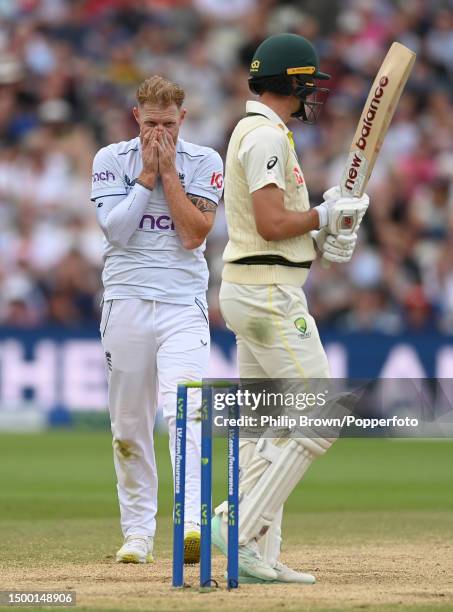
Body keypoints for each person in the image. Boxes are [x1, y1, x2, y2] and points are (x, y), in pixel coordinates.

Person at [211, 34, 369, 583]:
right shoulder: (265, 138)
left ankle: (257, 551)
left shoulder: (255, 131)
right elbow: (273, 222)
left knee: (267, 427)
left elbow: (278, 230)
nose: (313, 96)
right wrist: (322, 218)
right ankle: (235, 524)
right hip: (267, 293)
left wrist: (327, 233)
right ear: (293, 83)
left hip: (256, 286)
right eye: (309, 84)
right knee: (320, 416)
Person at [91, 76, 223, 564]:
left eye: (169, 124)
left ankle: (190, 525)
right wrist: (147, 174)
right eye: (151, 123)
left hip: (181, 305)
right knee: (128, 427)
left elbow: (193, 235)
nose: (159, 133)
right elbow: (117, 231)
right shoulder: (111, 159)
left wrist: (168, 171)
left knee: (184, 410)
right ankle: (138, 535)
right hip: (124, 300)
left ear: (182, 119)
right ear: (135, 117)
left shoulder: (205, 161)